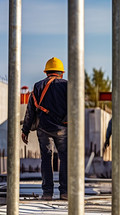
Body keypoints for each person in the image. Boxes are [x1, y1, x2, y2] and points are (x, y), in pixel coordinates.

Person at [21, 57, 68, 200]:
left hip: (44, 128)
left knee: (46, 159)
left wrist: (25, 130)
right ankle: (65, 192)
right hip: (63, 129)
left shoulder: (38, 86)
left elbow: (31, 110)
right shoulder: (67, 85)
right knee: (65, 159)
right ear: (61, 73)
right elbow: (75, 108)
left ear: (46, 72)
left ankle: (47, 193)